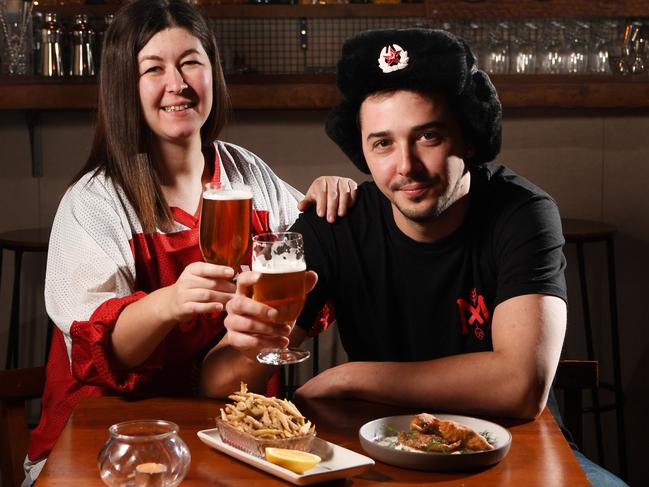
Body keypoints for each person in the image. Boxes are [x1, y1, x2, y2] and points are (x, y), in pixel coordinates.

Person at [216, 28, 628, 486]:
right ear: (363, 152)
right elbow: (218, 385)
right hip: (377, 460)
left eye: (428, 136)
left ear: (468, 138)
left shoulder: (523, 212)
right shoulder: (335, 221)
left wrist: (354, 378)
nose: (406, 166)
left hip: (513, 454)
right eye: (383, 143)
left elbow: (520, 387)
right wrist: (245, 341)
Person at [22, 0, 357, 484]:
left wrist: (331, 192)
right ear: (125, 85)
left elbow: (313, 246)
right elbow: (104, 351)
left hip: (222, 434)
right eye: (153, 68)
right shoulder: (95, 201)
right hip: (105, 442)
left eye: (190, 63)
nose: (176, 84)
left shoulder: (246, 173)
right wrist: (170, 302)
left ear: (212, 74)